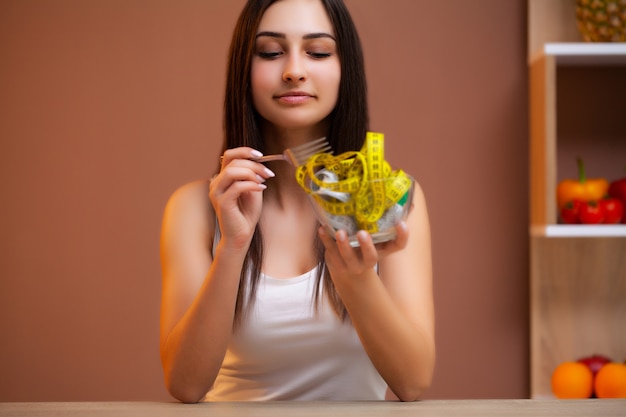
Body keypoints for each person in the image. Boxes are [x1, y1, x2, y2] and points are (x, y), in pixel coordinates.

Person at [159, 0, 434, 403]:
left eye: (318, 52)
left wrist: (356, 280)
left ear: (346, 71)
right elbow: (185, 385)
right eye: (270, 52)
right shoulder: (193, 209)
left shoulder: (394, 201)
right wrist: (233, 247)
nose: (293, 70)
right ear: (244, 72)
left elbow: (413, 382)